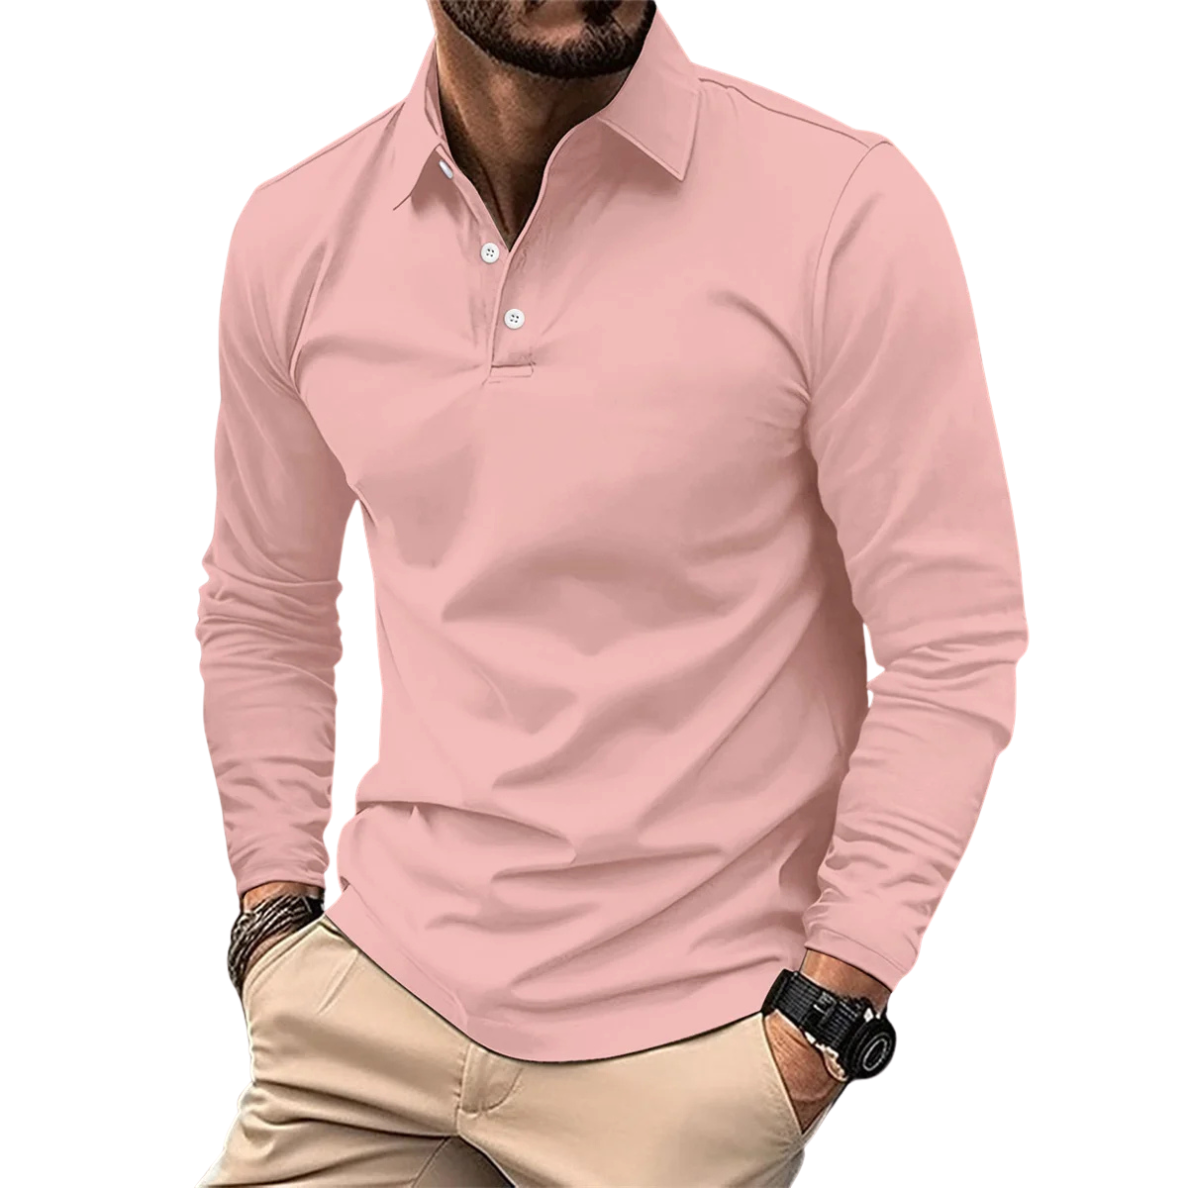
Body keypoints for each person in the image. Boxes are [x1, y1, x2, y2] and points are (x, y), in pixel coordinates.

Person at [195, 2, 1028, 1184]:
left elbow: (954, 640)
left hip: (685, 1053)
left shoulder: (839, 208)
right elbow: (264, 606)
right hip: (374, 1004)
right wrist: (273, 922)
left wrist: (829, 1015)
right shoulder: (300, 233)